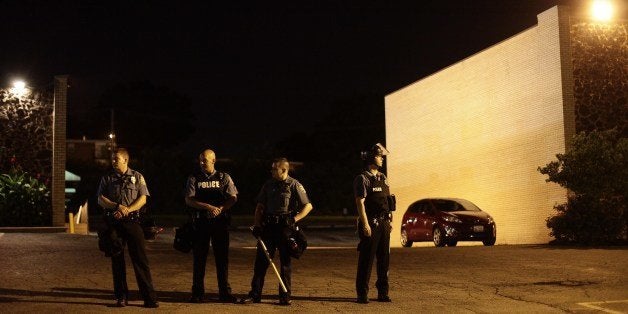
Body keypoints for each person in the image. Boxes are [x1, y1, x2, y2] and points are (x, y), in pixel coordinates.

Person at [240, 157, 313, 306]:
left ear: (284, 170)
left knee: (285, 264)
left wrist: (294, 219)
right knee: (261, 262)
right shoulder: (268, 185)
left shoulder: (294, 185)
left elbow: (308, 206)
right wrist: (257, 225)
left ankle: (285, 295)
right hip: (268, 228)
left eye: (274, 169)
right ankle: (255, 294)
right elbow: (260, 207)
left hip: (285, 229)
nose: (271, 171)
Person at [97, 148, 159, 308]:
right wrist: (117, 207)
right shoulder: (107, 178)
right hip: (114, 223)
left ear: (126, 160)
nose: (113, 161)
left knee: (140, 260)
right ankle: (121, 297)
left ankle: (149, 298)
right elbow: (101, 199)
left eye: (117, 158)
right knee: (117, 262)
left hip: (132, 221)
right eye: (112, 159)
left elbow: (143, 199)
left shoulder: (137, 177)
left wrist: (127, 210)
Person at [184, 149, 238, 303]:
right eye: (200, 160)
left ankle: (224, 293)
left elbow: (233, 197)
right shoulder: (194, 177)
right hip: (201, 223)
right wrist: (208, 207)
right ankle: (197, 293)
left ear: (213, 160)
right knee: (199, 258)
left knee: (222, 259)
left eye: (205, 160)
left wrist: (221, 209)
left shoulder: (224, 177)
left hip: (220, 223)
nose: (201, 163)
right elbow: (189, 200)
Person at [354, 143, 393, 304]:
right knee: (367, 260)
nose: (381, 159)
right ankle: (362, 293)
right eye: (378, 156)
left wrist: (390, 218)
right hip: (371, 222)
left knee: (384, 260)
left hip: (384, 222)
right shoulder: (362, 179)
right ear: (371, 158)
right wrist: (365, 224)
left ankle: (383, 293)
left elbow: (387, 199)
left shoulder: (382, 177)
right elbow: (360, 203)